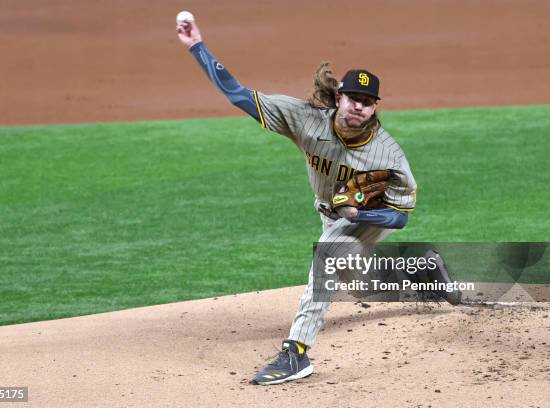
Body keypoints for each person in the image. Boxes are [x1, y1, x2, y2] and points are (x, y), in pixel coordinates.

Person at [176, 17, 456, 386]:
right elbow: (238, 95)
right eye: (354, 98)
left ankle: (297, 353)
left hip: (370, 217)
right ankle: (423, 273)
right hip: (332, 213)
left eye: (368, 102)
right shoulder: (307, 120)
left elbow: (401, 216)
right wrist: (198, 46)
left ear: (375, 108)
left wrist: (361, 212)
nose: (359, 107)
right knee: (357, 281)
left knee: (327, 255)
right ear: (339, 97)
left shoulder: (387, 155)